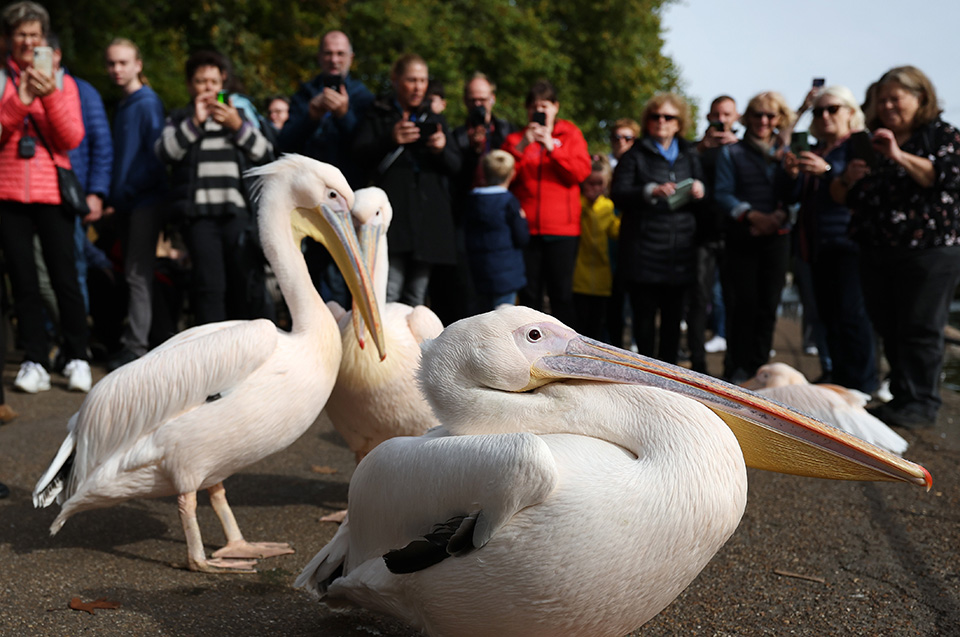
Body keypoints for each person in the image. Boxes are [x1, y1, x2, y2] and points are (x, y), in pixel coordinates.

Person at [835, 66, 960, 429]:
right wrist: (848, 177)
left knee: (920, 327)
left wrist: (897, 155)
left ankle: (921, 403)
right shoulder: (867, 140)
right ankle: (901, 398)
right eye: (882, 99)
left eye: (896, 98)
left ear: (921, 99)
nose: (887, 106)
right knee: (888, 324)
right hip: (877, 247)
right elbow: (842, 196)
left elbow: (946, 177)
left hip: (929, 249)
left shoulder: (942, 135)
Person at [0, 1, 90, 393]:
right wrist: (19, 99)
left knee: (65, 277)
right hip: (7, 191)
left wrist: (50, 94)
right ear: (8, 39)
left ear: (44, 39)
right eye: (20, 33)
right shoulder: (2, 80)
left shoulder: (65, 82)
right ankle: (34, 359)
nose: (27, 40)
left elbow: (72, 138)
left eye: (34, 34)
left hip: (53, 192)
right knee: (23, 281)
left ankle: (77, 357)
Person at [156, 50, 274, 326]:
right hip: (198, 217)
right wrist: (194, 124)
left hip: (236, 215)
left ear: (222, 82)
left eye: (212, 81)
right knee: (209, 286)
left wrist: (236, 126)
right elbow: (164, 153)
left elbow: (266, 154)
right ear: (190, 86)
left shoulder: (240, 114)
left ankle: (245, 349)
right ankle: (213, 349)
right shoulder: (180, 117)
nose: (208, 88)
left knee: (242, 282)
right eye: (200, 82)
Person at [781, 86, 876, 392]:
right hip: (815, 246)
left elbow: (867, 184)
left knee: (852, 317)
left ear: (850, 112)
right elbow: (794, 198)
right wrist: (793, 175)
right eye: (818, 111)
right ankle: (838, 379)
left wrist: (827, 170)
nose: (824, 116)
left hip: (849, 243)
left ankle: (862, 385)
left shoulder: (859, 145)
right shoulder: (817, 150)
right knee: (828, 317)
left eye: (832, 109)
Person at [353, 53, 460, 306]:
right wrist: (391, 139)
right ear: (396, 80)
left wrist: (441, 148)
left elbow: (456, 166)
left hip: (427, 226)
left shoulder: (434, 119)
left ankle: (413, 348)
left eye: (423, 80)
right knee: (388, 292)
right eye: (412, 80)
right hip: (393, 222)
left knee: (417, 298)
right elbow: (358, 156)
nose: (418, 87)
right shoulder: (378, 114)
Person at [278, 30, 373, 308]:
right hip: (310, 205)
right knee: (312, 273)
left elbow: (367, 150)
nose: (334, 60)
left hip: (349, 204)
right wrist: (310, 117)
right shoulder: (305, 95)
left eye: (340, 54)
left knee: (347, 276)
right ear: (319, 56)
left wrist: (345, 116)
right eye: (329, 53)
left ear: (351, 58)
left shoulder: (363, 98)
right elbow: (283, 145)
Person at [611, 93, 704, 364]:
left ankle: (670, 383)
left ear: (679, 123)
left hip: (680, 252)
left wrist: (700, 189)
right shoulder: (634, 155)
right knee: (644, 324)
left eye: (668, 117)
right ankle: (645, 381)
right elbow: (618, 193)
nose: (661, 121)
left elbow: (708, 199)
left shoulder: (690, 153)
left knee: (673, 324)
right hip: (644, 253)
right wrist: (651, 190)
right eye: (656, 116)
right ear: (647, 121)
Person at [714, 91, 795, 383]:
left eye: (770, 116)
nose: (763, 120)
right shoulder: (731, 152)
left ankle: (761, 368)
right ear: (747, 118)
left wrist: (780, 217)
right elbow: (722, 193)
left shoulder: (788, 154)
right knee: (742, 303)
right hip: (743, 235)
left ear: (779, 119)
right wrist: (751, 215)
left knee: (768, 305)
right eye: (758, 114)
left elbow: (796, 196)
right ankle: (736, 368)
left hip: (778, 236)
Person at [502, 79, 591, 326]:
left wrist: (552, 147)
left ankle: (568, 360)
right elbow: (501, 176)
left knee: (561, 295)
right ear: (527, 110)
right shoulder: (516, 139)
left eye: (545, 105)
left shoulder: (570, 134)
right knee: (530, 298)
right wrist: (522, 146)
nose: (540, 111)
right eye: (534, 106)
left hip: (562, 232)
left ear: (556, 107)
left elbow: (580, 172)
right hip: (526, 231)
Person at [103, 37, 166, 370]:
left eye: (123, 62)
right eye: (111, 63)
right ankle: (151, 339)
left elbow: (155, 158)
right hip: (127, 203)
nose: (116, 69)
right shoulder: (124, 105)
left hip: (144, 201)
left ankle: (137, 347)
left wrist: (125, 194)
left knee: (137, 273)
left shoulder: (147, 103)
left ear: (138, 65)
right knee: (136, 273)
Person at [435, 72, 516, 324]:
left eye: (482, 99)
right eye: (472, 100)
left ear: (492, 99)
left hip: (502, 218)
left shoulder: (507, 132)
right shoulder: (456, 136)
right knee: (469, 286)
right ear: (465, 102)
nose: (478, 105)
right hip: (465, 218)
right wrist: (470, 151)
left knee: (503, 284)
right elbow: (453, 178)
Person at [689, 95, 739, 372]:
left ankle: (732, 365)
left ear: (736, 117)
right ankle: (697, 364)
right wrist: (701, 148)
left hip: (732, 234)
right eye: (717, 114)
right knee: (699, 299)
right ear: (709, 117)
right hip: (701, 233)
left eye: (727, 114)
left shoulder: (740, 149)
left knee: (733, 299)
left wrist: (737, 151)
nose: (722, 119)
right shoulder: (697, 149)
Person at [464, 149, 528, 312]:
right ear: (512, 174)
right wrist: (522, 219)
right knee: (504, 315)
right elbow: (521, 237)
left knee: (482, 315)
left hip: (479, 270)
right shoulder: (509, 202)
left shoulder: (471, 200)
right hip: (507, 273)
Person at [573, 154, 620, 341]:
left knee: (596, 327)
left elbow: (615, 232)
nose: (594, 188)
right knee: (579, 325)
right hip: (578, 278)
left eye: (599, 184)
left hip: (602, 280)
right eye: (590, 183)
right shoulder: (577, 203)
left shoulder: (607, 206)